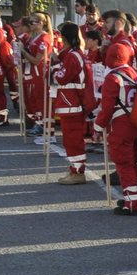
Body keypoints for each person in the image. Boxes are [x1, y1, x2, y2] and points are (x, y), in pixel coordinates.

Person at [95, 42, 137, 215]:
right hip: (136, 123)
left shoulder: (113, 77)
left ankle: (132, 203)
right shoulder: (134, 73)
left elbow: (107, 107)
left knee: (124, 164)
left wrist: (97, 126)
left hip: (120, 125)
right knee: (132, 162)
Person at [49, 22, 93, 185]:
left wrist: (54, 66)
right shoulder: (72, 54)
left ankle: (77, 171)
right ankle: (74, 169)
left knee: (73, 139)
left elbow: (61, 77)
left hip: (72, 102)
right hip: (70, 101)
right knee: (70, 139)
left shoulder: (74, 56)